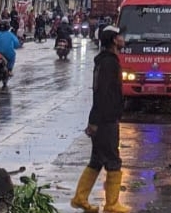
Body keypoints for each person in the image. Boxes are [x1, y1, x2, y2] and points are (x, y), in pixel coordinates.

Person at [70, 24, 131, 213]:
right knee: (113, 160)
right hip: (106, 120)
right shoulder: (109, 63)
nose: (123, 39)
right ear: (114, 40)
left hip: (102, 118)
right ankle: (112, 204)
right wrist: (95, 121)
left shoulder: (105, 61)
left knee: (97, 159)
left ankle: (80, 198)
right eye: (120, 36)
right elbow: (101, 93)